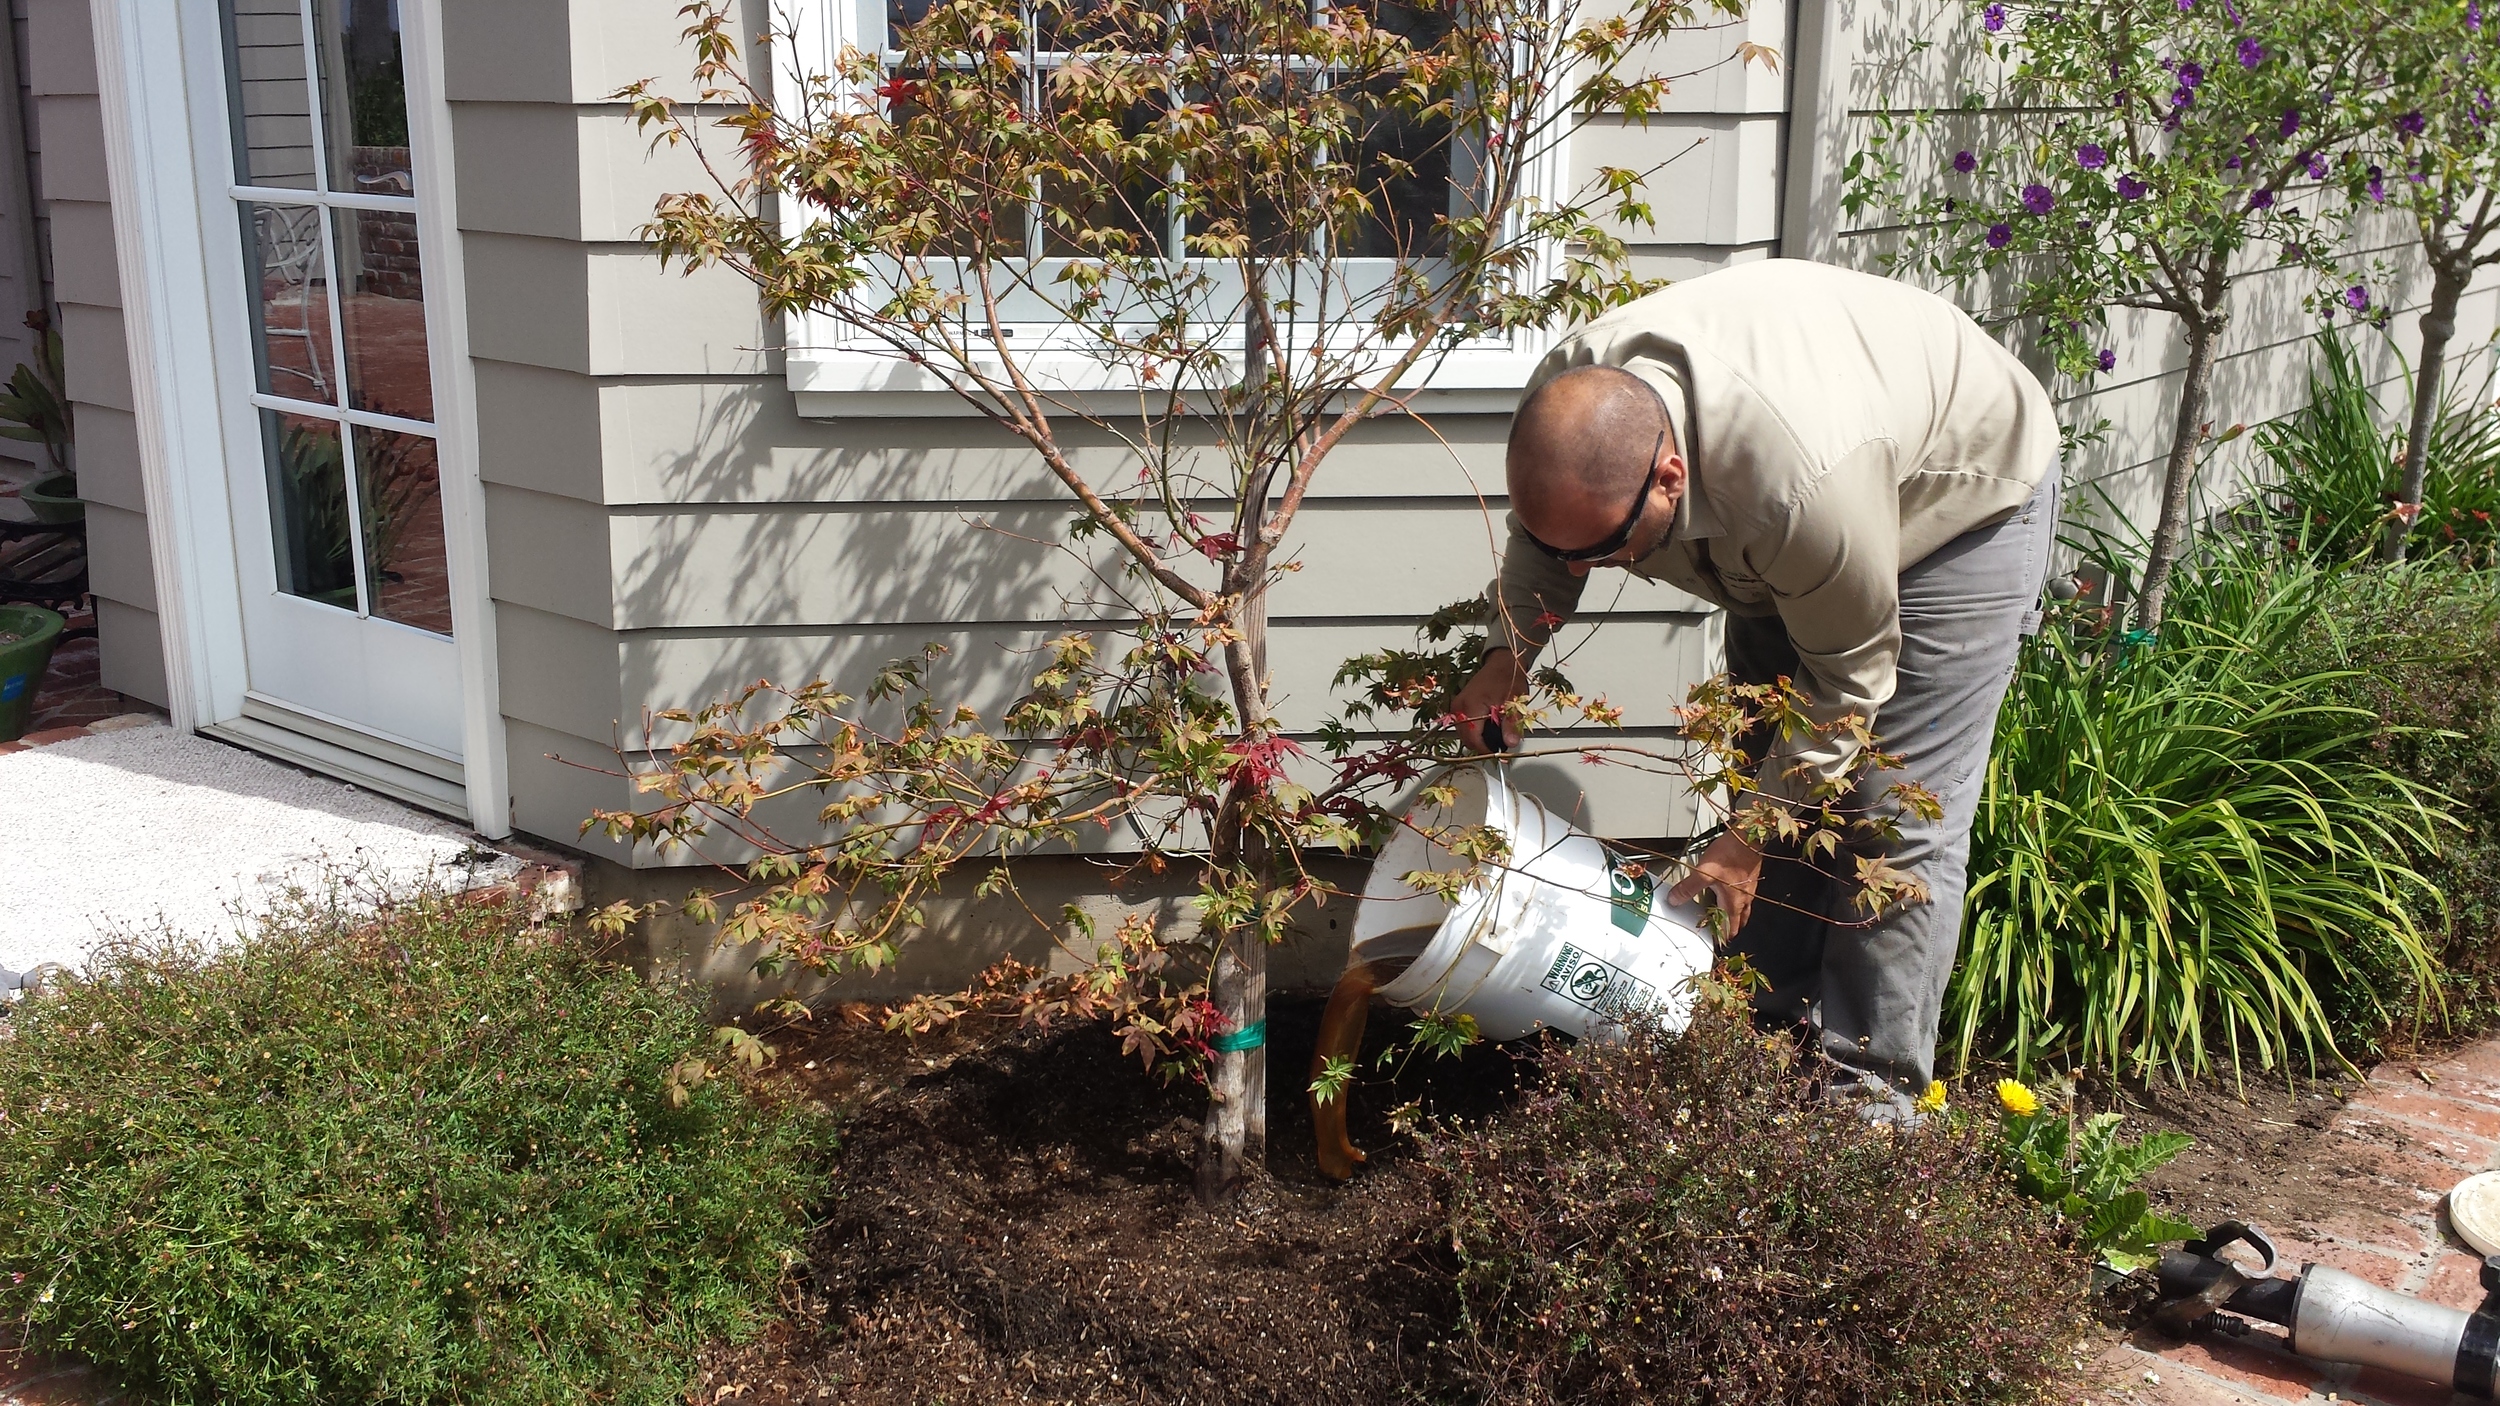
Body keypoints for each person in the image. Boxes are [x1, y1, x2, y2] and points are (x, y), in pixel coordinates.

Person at [1449, 258, 2061, 1119]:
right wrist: (1509, 656)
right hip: (1791, 529)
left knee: (1888, 812)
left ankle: (1867, 1104)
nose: (1584, 572)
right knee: (1766, 765)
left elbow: (1848, 681)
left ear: (1669, 478)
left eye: (1603, 550)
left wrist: (1747, 837)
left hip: (1955, 505)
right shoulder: (1573, 402)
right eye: (1569, 550)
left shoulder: (1802, 490)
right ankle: (1762, 1041)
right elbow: (1548, 541)